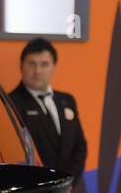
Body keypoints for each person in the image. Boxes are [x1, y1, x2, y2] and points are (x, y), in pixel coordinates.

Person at [8, 37, 87, 181]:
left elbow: (79, 146)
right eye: (32, 64)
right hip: (32, 192)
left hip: (67, 190)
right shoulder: (10, 103)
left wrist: (68, 183)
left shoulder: (67, 100)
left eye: (44, 64)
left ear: (54, 67)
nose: (37, 71)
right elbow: (14, 153)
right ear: (21, 65)